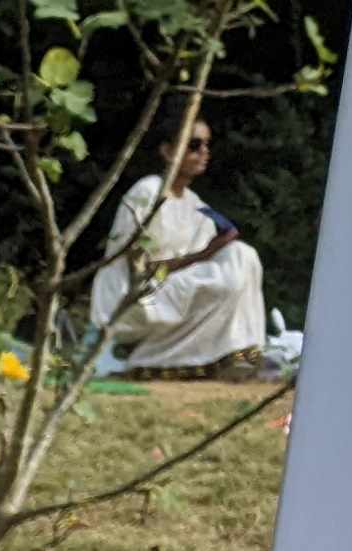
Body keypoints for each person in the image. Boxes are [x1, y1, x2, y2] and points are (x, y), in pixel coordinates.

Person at [93, 115, 270, 375]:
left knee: (244, 255)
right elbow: (142, 269)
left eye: (207, 145)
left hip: (170, 286)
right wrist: (206, 253)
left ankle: (241, 353)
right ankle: (155, 357)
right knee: (224, 280)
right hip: (134, 293)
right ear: (167, 151)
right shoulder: (148, 191)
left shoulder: (196, 204)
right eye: (194, 145)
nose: (204, 152)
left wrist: (216, 251)